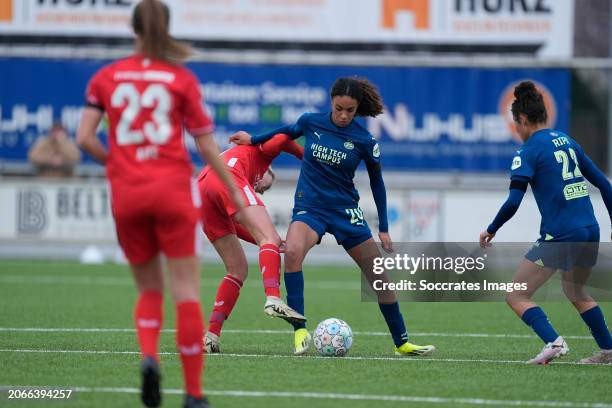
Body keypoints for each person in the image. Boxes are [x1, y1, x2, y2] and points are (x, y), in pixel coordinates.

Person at [76, 1, 242, 407]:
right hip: (171, 190)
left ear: (133, 30)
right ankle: (194, 394)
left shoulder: (106, 78)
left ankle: (150, 358)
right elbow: (205, 146)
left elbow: (83, 139)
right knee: (185, 290)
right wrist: (235, 192)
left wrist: (117, 162)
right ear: (166, 29)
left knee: (148, 289)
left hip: (128, 193)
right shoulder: (180, 79)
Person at [230, 76, 435, 356]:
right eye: (339, 108)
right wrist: (253, 139)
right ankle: (300, 331)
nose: (343, 115)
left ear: (357, 109)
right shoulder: (311, 122)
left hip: (345, 211)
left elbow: (378, 182)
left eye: (350, 110)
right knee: (291, 253)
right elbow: (286, 131)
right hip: (310, 208)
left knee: (379, 277)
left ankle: (402, 343)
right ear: (331, 102)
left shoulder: (365, 140)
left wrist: (384, 227)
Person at [480, 81, 612, 365]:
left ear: (523, 119)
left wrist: (491, 229)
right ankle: (610, 350)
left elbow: (514, 201)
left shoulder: (528, 152)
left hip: (561, 235)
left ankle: (554, 342)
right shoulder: (567, 141)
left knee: (516, 294)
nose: (516, 130)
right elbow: (605, 185)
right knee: (575, 290)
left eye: (516, 124)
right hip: (590, 230)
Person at [198, 133, 306, 353]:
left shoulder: (239, 160)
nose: (259, 190)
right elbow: (282, 138)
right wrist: (306, 158)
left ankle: (211, 336)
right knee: (270, 237)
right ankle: (273, 298)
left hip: (202, 188)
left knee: (237, 269)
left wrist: (264, 241)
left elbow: (235, 227)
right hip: (227, 177)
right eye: (263, 187)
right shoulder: (262, 153)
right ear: (267, 172)